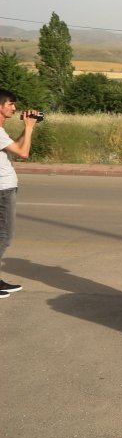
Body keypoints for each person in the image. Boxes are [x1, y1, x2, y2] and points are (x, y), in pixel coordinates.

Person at [0, 89, 39, 299]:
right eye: (10, 104)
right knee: (4, 237)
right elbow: (24, 153)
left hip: (4, 188)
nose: (14, 108)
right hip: (2, 190)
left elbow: (15, 147)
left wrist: (27, 128)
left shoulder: (0, 131)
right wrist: (29, 128)